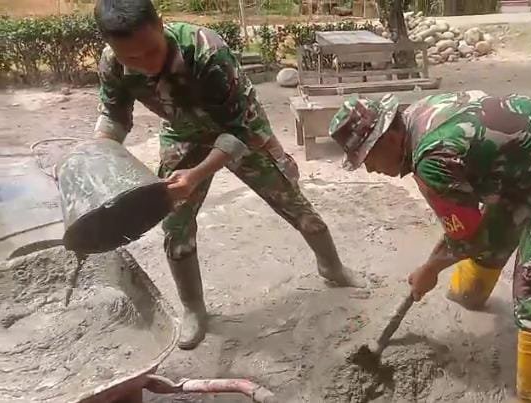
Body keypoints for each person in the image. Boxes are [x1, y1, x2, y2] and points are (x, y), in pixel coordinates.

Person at [92, 0, 365, 350]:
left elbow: (239, 128)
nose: (146, 63)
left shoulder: (206, 51)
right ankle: (194, 309)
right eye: (132, 58)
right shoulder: (112, 62)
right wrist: (98, 155)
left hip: (242, 130)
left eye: (151, 51)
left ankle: (332, 267)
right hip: (183, 134)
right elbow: (114, 117)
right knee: (175, 222)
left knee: (291, 200)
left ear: (160, 25)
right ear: (112, 46)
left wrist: (198, 174)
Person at [328, 90, 531, 402]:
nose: (369, 169)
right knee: (493, 236)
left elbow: (467, 237)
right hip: (523, 166)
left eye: (367, 157)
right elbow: (472, 229)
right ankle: (467, 300)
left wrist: (430, 270)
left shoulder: (431, 159)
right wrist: (437, 263)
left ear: (390, 139)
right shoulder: (416, 117)